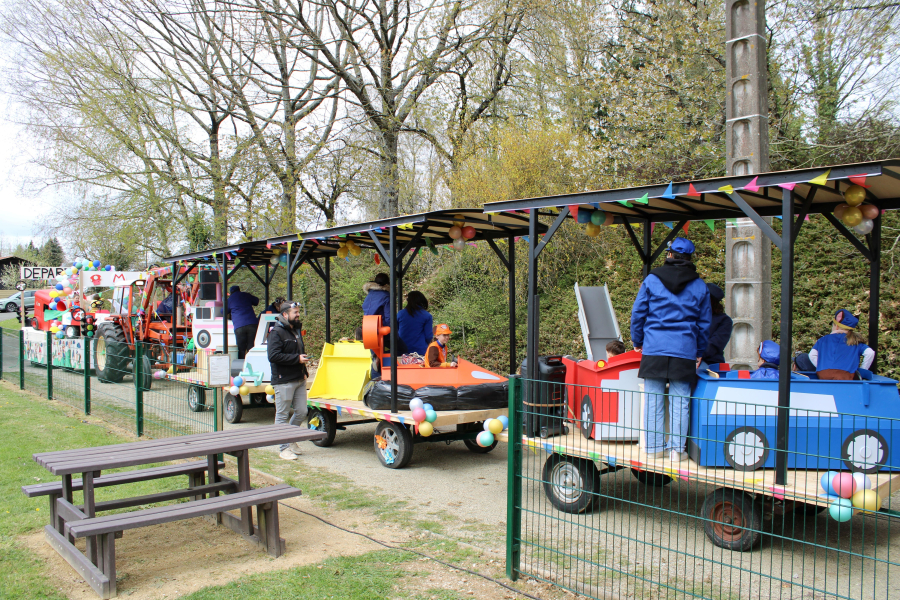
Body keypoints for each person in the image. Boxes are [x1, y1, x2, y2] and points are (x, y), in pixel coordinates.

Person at [630, 237, 711, 462]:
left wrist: (638, 340)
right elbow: (704, 324)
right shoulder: (700, 286)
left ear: (670, 254)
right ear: (690, 258)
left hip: (654, 347)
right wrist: (699, 351)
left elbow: (638, 313)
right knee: (680, 401)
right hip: (684, 349)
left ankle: (654, 448)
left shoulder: (652, 279)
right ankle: (676, 451)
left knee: (653, 399)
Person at [267, 301, 310, 460]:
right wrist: (296, 359)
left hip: (299, 379)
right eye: (295, 313)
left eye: (298, 312)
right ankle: (283, 448)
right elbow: (273, 356)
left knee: (302, 412)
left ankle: (290, 438)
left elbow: (299, 352)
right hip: (283, 380)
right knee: (282, 415)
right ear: (285, 314)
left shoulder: (295, 330)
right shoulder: (276, 333)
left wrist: (304, 371)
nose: (298, 315)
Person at [795, 309, 875, 380]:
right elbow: (870, 353)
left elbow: (812, 355)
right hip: (846, 376)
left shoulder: (823, 339)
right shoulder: (855, 341)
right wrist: (862, 371)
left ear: (836, 326)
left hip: (823, 375)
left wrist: (821, 367)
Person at [701, 283, 733, 368]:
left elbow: (714, 345)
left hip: (709, 362)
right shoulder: (691, 315)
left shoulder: (724, 321)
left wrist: (697, 354)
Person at [227, 285, 260, 359]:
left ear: (231, 292)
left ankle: (241, 363)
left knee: (241, 348)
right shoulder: (246, 295)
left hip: (239, 325)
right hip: (252, 323)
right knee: (251, 346)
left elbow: (223, 311)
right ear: (239, 290)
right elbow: (256, 301)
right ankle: (251, 362)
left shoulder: (230, 299)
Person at [397, 291, 433, 356]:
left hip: (402, 350)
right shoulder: (427, 315)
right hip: (420, 351)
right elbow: (428, 336)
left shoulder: (400, 314)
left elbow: (395, 331)